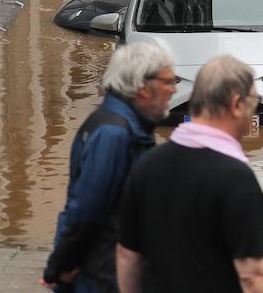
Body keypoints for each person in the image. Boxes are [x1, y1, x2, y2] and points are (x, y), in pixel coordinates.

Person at [116, 55, 263, 293]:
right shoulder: (236, 178)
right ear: (236, 104)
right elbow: (254, 274)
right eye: (255, 100)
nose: (255, 107)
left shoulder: (146, 165)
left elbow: (127, 256)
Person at [43, 45, 176, 293]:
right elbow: (86, 209)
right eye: (168, 81)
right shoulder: (113, 135)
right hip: (103, 273)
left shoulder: (123, 126)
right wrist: (60, 265)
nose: (174, 89)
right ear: (142, 86)